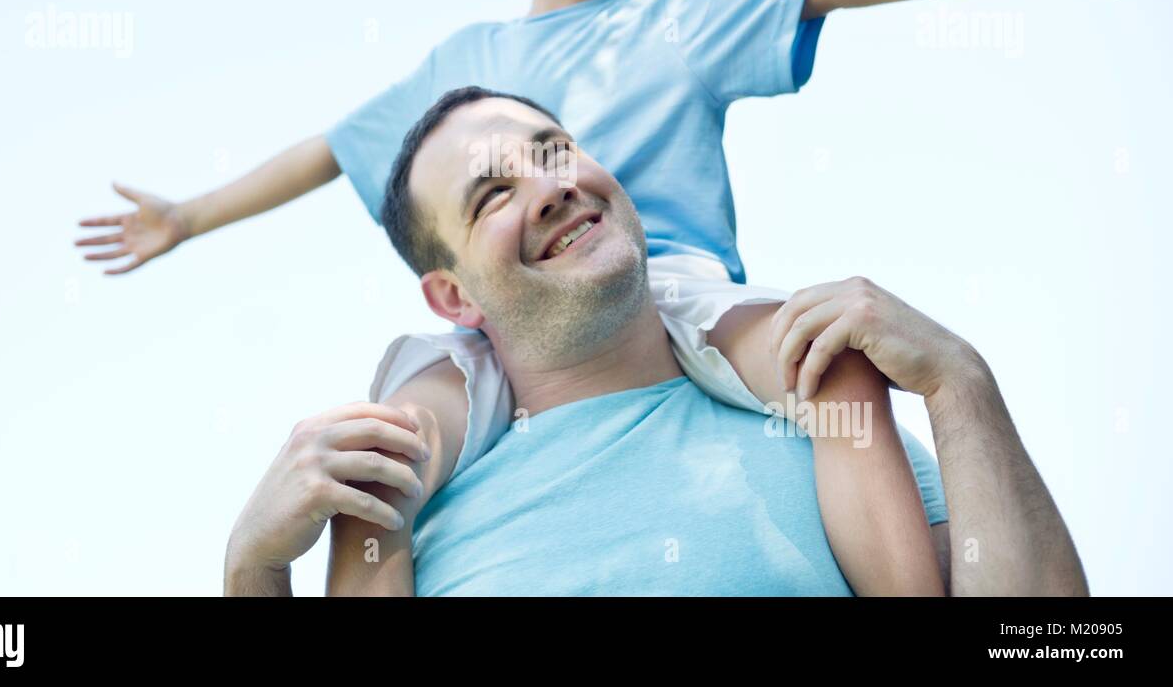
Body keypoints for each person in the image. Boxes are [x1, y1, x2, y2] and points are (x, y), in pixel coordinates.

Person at [223, 90, 1086, 596]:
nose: (553, 190)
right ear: (453, 296)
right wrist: (251, 571)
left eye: (554, 153)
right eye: (493, 195)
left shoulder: (833, 433)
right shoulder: (398, 518)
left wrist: (961, 383)